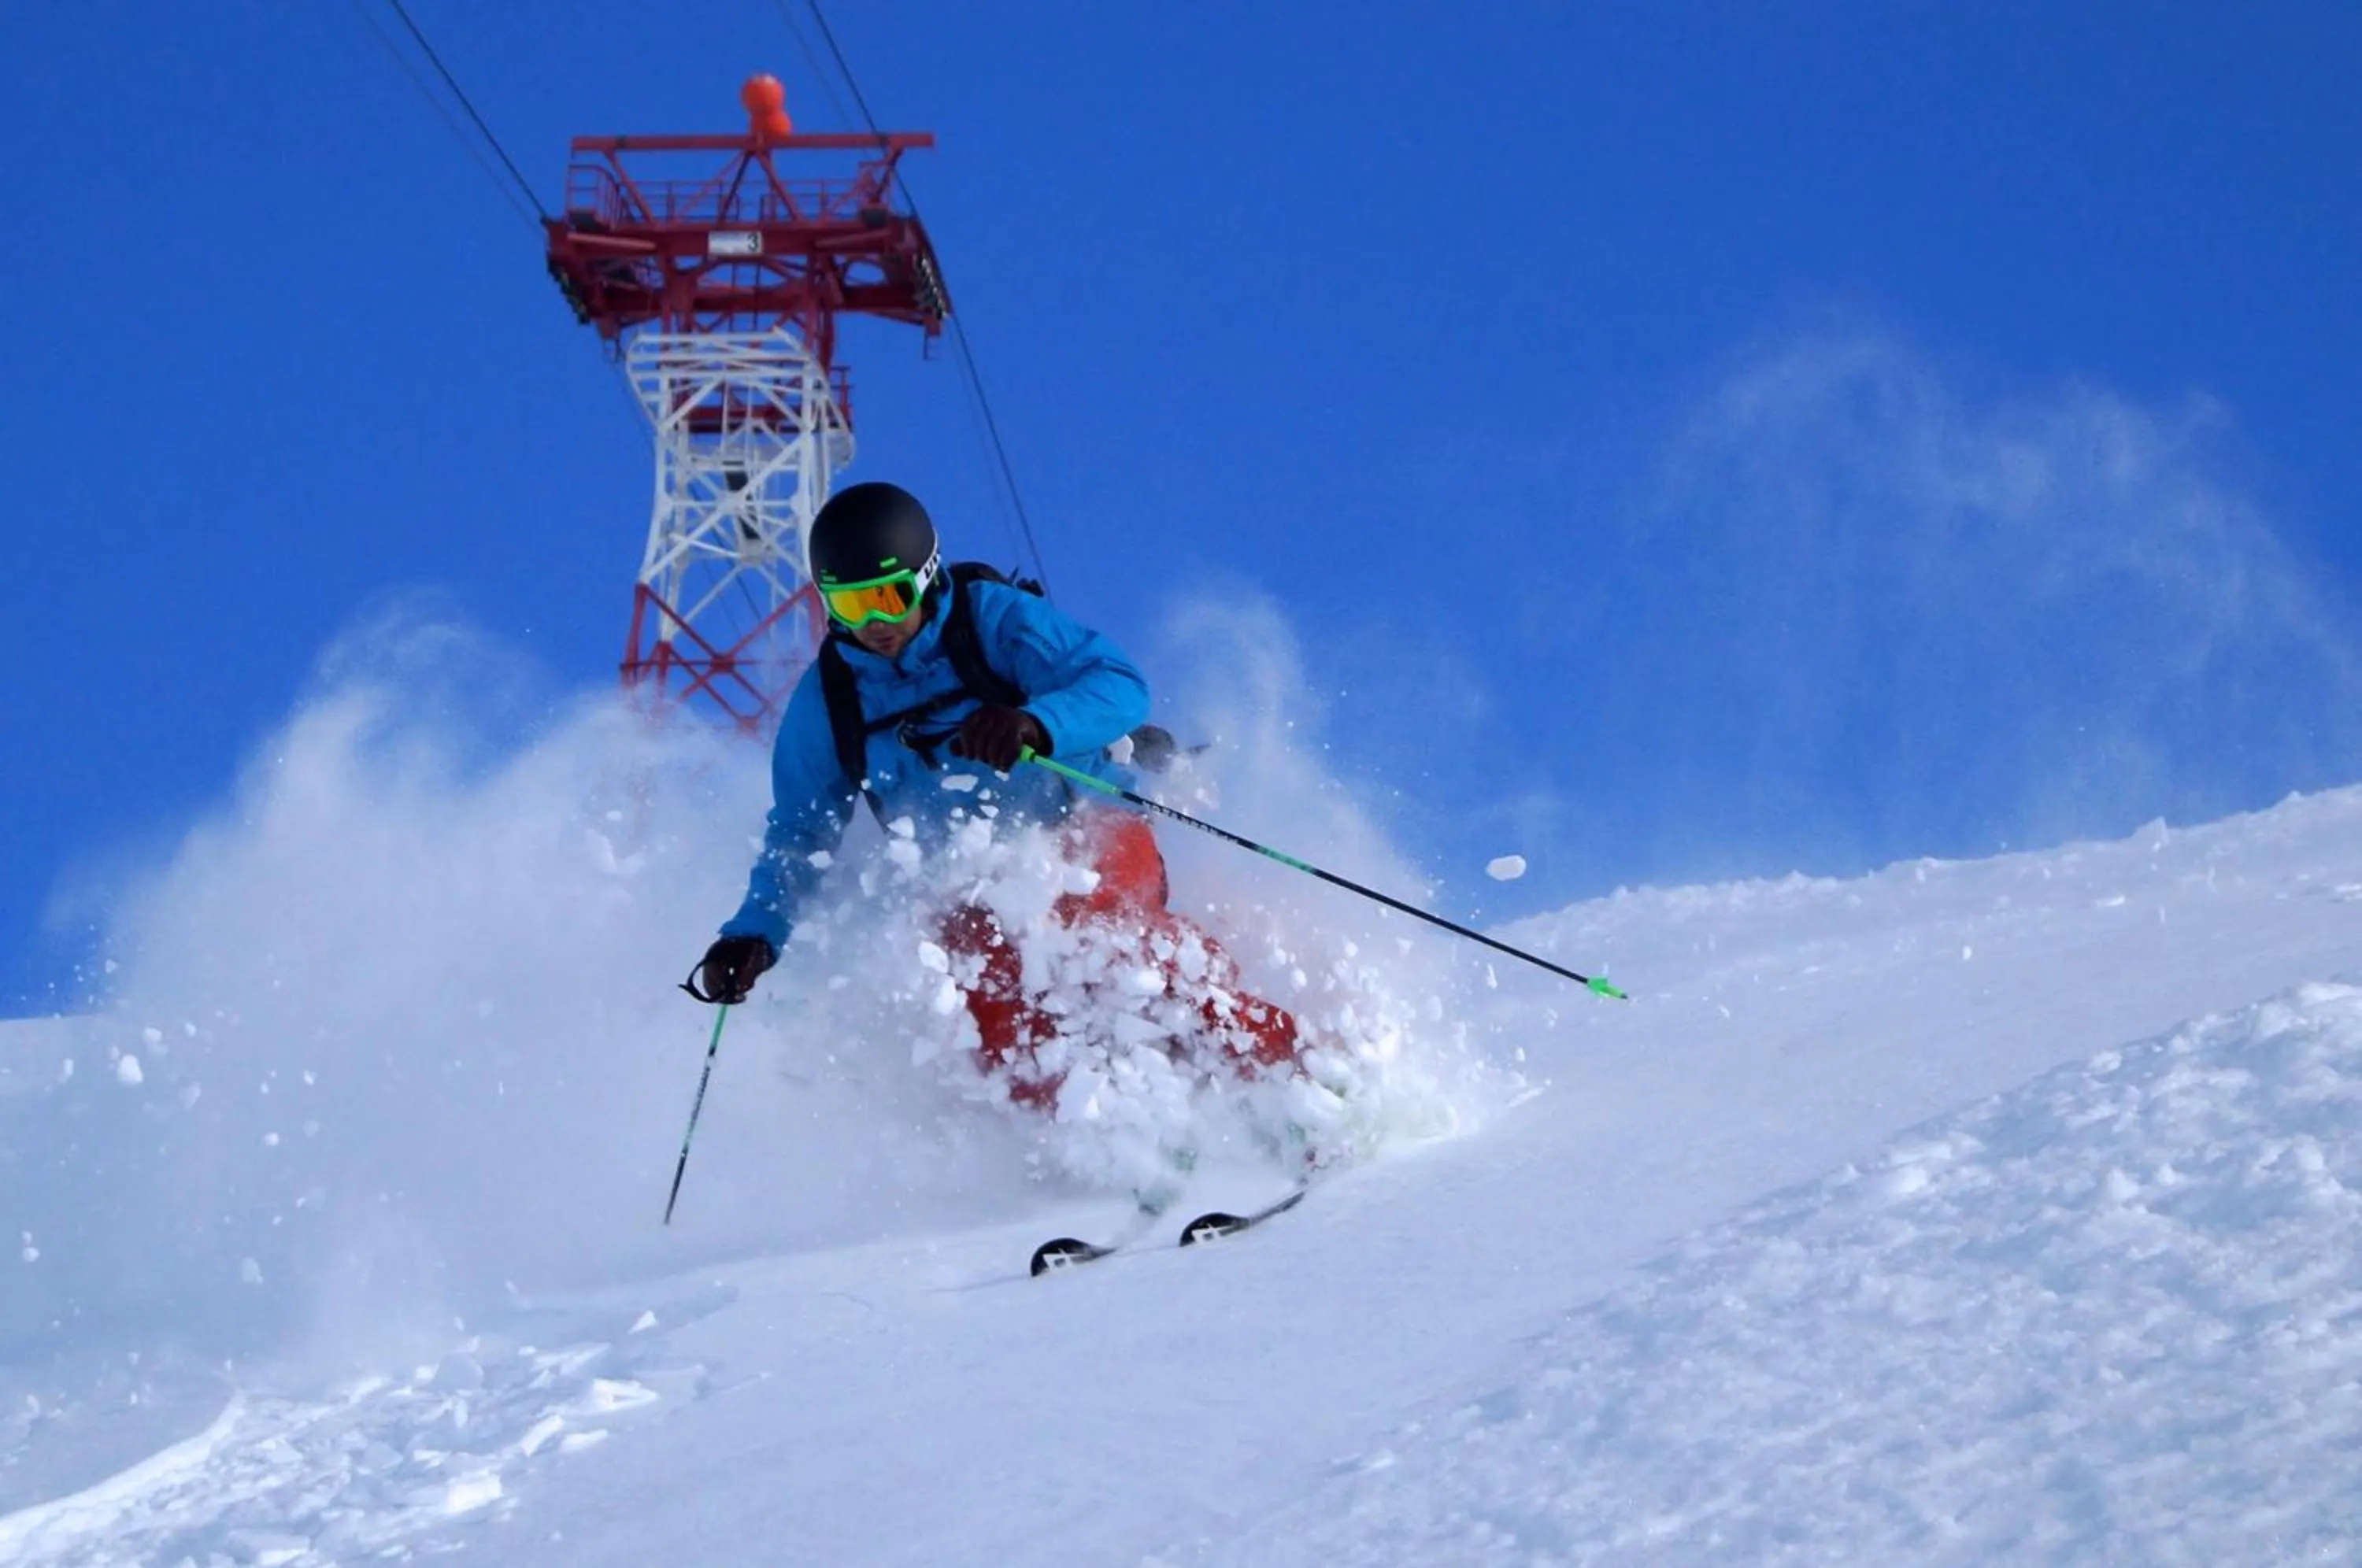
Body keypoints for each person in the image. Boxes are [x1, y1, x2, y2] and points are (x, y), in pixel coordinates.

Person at [693, 481, 1304, 1111]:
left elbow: (1119, 686)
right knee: (984, 996)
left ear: (925, 579)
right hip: (970, 885)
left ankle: (1293, 1078)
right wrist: (754, 933)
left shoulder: (992, 622)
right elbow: (800, 832)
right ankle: (1100, 1146)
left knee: (1112, 943)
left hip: (1085, 829)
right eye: (850, 606)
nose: (874, 624)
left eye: (887, 597)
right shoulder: (828, 703)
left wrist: (1035, 723)